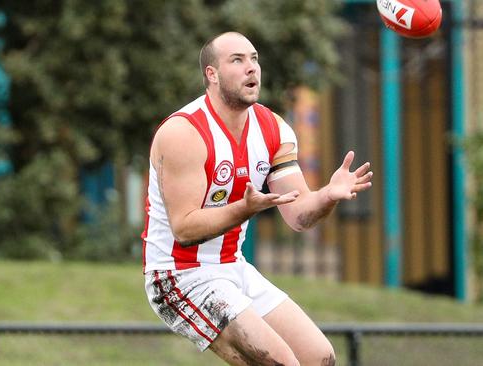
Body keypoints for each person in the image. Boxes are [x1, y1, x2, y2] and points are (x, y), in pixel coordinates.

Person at [142, 31, 373, 366]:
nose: (252, 68)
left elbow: (299, 216)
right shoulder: (183, 133)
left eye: (254, 59)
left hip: (233, 268)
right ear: (212, 74)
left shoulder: (274, 129)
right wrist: (244, 209)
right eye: (237, 60)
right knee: (282, 363)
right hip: (180, 274)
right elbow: (184, 229)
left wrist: (327, 195)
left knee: (319, 357)